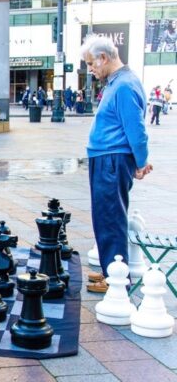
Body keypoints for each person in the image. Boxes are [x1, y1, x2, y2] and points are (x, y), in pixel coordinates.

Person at [80, 35, 152, 293]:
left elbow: (137, 129)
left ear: (104, 58)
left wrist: (141, 162)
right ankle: (112, 272)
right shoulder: (117, 83)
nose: (90, 69)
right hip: (106, 158)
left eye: (91, 63)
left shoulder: (123, 86)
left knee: (110, 217)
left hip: (112, 160)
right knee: (105, 215)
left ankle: (117, 282)